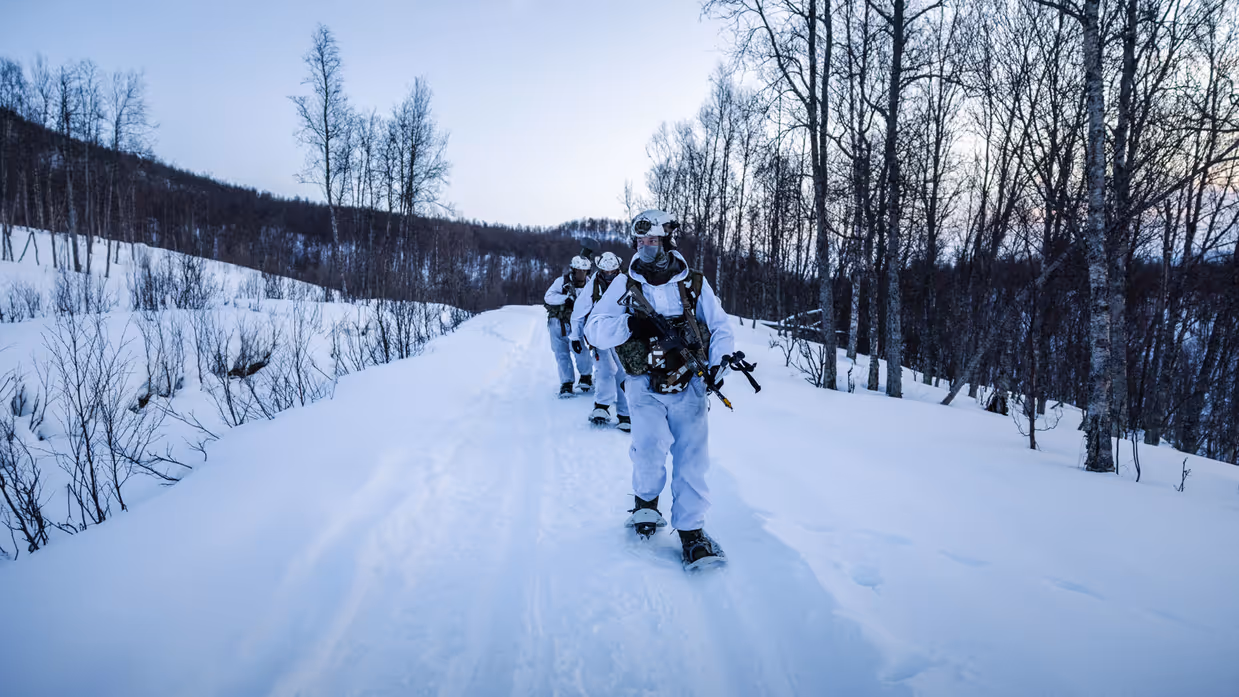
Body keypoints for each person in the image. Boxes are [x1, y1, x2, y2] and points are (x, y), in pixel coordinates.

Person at [585, 210, 736, 569]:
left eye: (652, 241)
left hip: (691, 384)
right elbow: (594, 329)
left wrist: (719, 362)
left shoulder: (695, 283)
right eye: (640, 241)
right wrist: (629, 325)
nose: (646, 248)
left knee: (692, 459)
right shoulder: (624, 284)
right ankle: (646, 505)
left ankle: (692, 533)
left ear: (669, 240)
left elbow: (721, 328)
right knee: (650, 449)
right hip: (644, 384)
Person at [570, 251, 631, 431]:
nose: (609, 275)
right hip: (598, 334)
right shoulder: (594, 285)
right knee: (604, 370)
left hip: (621, 335)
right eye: (605, 272)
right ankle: (602, 407)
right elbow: (579, 311)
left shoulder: (627, 282)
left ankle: (625, 413)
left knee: (623, 373)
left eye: (612, 272)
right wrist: (575, 336)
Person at [545, 255, 595, 397]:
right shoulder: (561, 282)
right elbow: (548, 297)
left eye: (584, 271)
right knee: (561, 353)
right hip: (558, 322)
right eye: (578, 271)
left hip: (577, 323)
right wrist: (564, 299)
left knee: (581, 351)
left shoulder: (590, 284)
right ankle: (566, 383)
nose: (581, 274)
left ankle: (586, 376)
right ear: (573, 270)